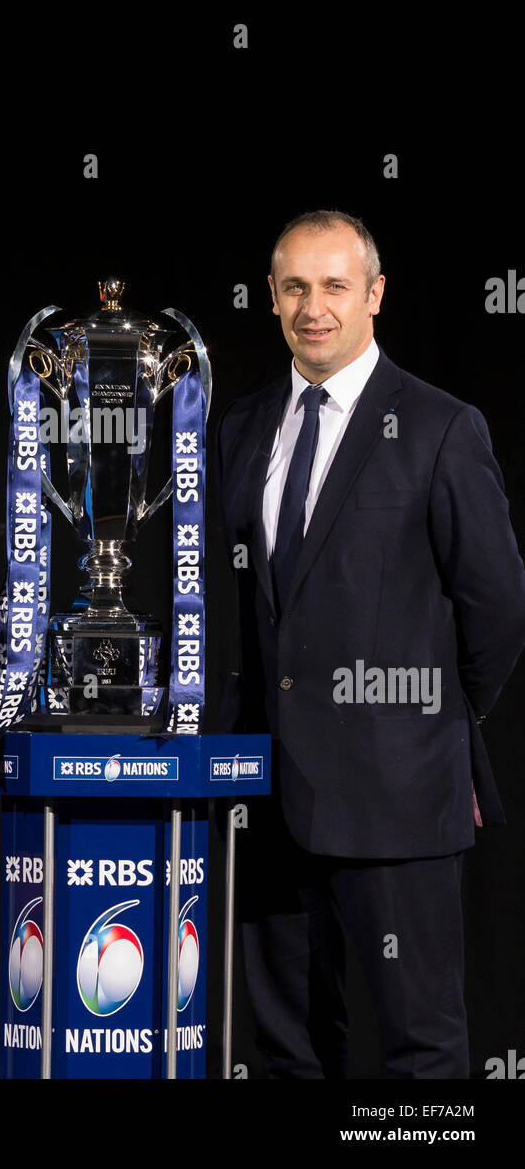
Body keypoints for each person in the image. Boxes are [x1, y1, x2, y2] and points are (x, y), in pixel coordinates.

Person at [216, 209, 525, 1078]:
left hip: (398, 796)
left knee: (420, 1050)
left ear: (375, 296)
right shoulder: (241, 427)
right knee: (286, 1051)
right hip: (268, 796)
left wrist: (425, 723)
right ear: (273, 298)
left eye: (336, 286)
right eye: (296, 287)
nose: (316, 307)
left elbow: (496, 609)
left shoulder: (439, 427)